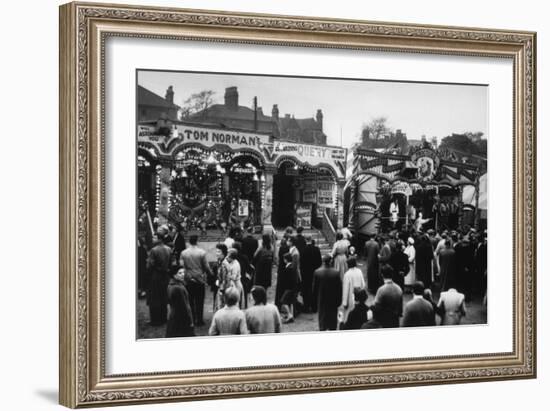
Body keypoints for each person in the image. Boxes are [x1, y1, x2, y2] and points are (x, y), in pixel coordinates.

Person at [179, 235, 213, 326]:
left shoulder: (183, 253)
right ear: (197, 241)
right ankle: (200, 320)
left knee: (190, 300)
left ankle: (192, 319)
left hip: (188, 278)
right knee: (200, 300)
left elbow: (181, 266)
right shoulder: (202, 252)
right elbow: (206, 266)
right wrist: (210, 274)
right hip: (199, 278)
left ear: (189, 242)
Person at [146, 227, 172, 326]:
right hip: (166, 276)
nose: (153, 240)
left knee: (154, 298)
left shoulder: (153, 250)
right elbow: (171, 263)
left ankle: (155, 320)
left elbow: (149, 265)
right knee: (163, 297)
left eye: (154, 238)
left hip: (155, 276)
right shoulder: (168, 249)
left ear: (159, 239)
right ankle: (163, 318)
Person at [312, 255, 343, 331]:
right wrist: (339, 301)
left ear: (323, 261)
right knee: (332, 322)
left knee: (322, 320)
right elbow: (339, 289)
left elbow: (314, 289)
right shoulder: (336, 273)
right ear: (331, 261)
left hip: (321, 300)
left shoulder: (317, 272)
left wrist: (314, 303)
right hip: (333, 300)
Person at [166, 269, 194, 337]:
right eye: (180, 273)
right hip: (181, 318)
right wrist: (190, 320)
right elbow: (185, 306)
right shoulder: (178, 288)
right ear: (174, 275)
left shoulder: (170, 285)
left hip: (172, 317)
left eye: (183, 272)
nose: (183, 274)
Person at [341, 257, 366, 324]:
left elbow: (345, 289)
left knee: (350, 314)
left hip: (351, 297)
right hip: (359, 295)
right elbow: (363, 284)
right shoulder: (359, 271)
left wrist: (344, 302)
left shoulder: (347, 274)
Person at [300, 235, 322, 312]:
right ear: (311, 240)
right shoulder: (316, 249)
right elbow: (320, 262)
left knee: (306, 289)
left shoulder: (303, 250)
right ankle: (314, 307)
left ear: (306, 240)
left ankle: (306, 306)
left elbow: (301, 263)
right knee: (314, 289)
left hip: (305, 273)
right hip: (314, 272)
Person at [233, 241, 254, 309]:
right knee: (243, 297)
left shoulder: (232, 258)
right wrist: (249, 278)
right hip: (243, 279)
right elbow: (249, 269)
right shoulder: (244, 257)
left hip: (233, 279)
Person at [275, 234, 290, 308]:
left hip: (281, 268)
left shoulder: (281, 248)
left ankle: (278, 303)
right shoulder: (287, 248)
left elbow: (278, 258)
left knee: (279, 287)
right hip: (284, 268)